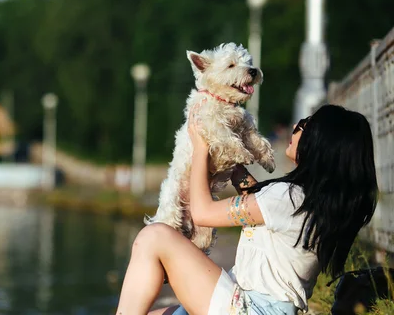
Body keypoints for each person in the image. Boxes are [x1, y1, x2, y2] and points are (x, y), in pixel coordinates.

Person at [115, 105, 378, 315]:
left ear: (321, 145)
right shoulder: (311, 202)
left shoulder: (288, 198)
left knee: (154, 236)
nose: (296, 128)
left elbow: (203, 212)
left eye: (305, 126)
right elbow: (258, 202)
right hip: (266, 308)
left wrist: (200, 149)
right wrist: (233, 165)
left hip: (251, 308)